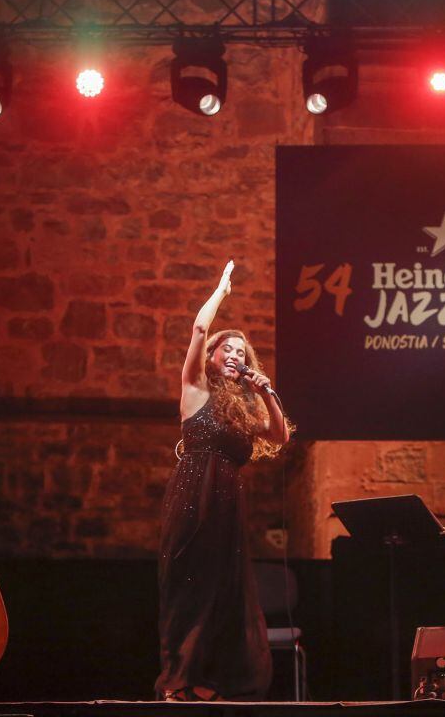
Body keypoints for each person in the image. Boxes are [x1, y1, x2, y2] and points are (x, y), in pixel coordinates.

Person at [155, 260, 292, 702]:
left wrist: (267, 392)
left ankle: (209, 680)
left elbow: (280, 436)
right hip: (193, 494)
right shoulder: (194, 387)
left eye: (241, 353)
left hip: (228, 501)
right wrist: (221, 292)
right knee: (189, 586)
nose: (234, 356)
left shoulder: (243, 409)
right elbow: (198, 330)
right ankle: (178, 680)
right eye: (227, 350)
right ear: (213, 358)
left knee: (223, 590)